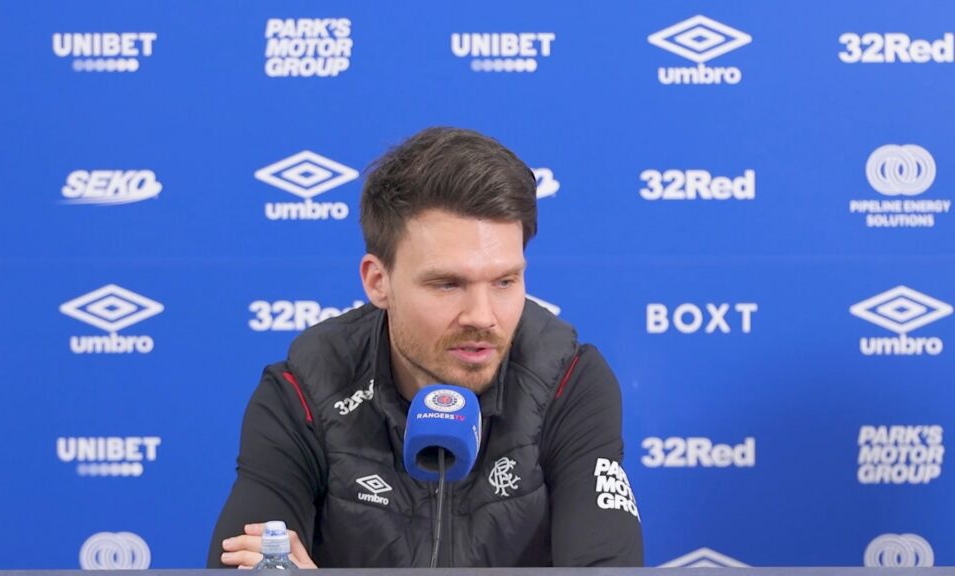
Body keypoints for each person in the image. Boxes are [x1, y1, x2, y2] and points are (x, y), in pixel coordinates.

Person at [208, 127, 643, 568]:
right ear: (378, 282)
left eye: (505, 281)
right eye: (447, 284)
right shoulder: (304, 389)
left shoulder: (568, 381)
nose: (482, 315)